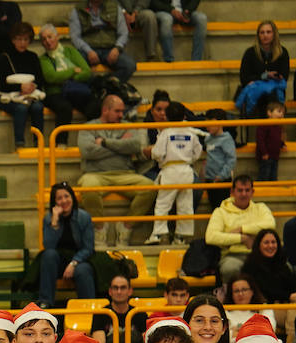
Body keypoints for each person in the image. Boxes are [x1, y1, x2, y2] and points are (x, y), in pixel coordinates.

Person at [76, 94, 155, 248]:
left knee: (150, 188)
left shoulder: (127, 125)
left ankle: (126, 226)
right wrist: (120, 146)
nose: (121, 115)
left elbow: (134, 146)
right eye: (117, 111)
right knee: (88, 187)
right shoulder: (88, 127)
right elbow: (88, 152)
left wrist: (104, 143)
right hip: (95, 174)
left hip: (126, 174)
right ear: (105, 110)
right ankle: (99, 228)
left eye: (122, 111)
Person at [205, 175, 276, 287]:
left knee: (284, 267)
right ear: (232, 192)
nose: (244, 194)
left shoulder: (261, 208)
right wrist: (243, 238)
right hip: (232, 256)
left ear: (252, 192)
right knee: (230, 269)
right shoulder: (220, 212)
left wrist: (241, 229)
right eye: (240, 190)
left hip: (260, 254)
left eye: (247, 190)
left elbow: (270, 225)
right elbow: (211, 237)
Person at [146, 117, 203, 245]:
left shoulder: (167, 132)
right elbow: (198, 152)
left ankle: (159, 235)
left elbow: (157, 153)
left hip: (170, 170)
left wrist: (162, 160)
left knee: (163, 204)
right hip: (186, 170)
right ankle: (181, 237)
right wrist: (187, 160)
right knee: (186, 205)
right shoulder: (190, 132)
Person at [38, 181, 96, 306]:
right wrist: (54, 222)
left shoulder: (84, 217)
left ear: (72, 198)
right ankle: (45, 303)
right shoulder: (49, 218)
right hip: (57, 262)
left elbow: (88, 248)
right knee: (48, 255)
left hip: (80, 260)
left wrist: (73, 263)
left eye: (67, 196)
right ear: (54, 202)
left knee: (83, 270)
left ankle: (88, 308)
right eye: (59, 198)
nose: (64, 201)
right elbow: (48, 246)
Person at [37, 22, 96, 135]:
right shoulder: (43, 60)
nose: (47, 41)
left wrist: (67, 79)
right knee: (64, 108)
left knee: (94, 106)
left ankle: (92, 138)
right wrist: (72, 71)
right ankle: (60, 143)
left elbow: (87, 72)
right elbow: (51, 78)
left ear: (57, 36)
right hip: (55, 93)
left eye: (50, 37)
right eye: (44, 39)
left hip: (75, 90)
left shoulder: (70, 51)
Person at [0, 22, 46, 149]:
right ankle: (19, 144)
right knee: (21, 108)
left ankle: (38, 142)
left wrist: (32, 87)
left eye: (25, 39)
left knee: (38, 107)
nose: (22, 43)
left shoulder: (33, 57)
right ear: (13, 40)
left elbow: (40, 80)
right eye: (19, 39)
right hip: (8, 96)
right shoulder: (5, 57)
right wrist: (20, 88)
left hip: (30, 94)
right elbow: (1, 85)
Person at [69, 0, 135, 83]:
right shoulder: (78, 9)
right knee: (77, 67)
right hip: (88, 49)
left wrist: (117, 49)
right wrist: (89, 51)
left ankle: (105, 84)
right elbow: (75, 37)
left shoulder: (115, 7)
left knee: (129, 66)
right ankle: (94, 87)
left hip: (110, 48)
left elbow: (124, 33)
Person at [236, 20, 288, 116]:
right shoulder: (250, 53)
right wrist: (264, 76)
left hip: (275, 90)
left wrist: (273, 78)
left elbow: (284, 77)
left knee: (271, 95)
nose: (265, 35)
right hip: (256, 91)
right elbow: (244, 78)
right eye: (262, 32)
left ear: (274, 34)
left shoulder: (282, 52)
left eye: (268, 32)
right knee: (261, 95)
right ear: (258, 35)